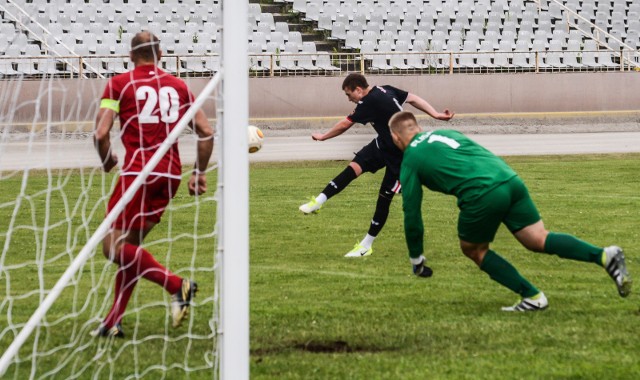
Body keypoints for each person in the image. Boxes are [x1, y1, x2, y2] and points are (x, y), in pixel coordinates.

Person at [388, 111, 632, 311]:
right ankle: (603, 255)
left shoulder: (411, 158)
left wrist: (416, 257)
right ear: (417, 127)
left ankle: (533, 297)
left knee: (473, 249)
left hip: (481, 193)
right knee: (538, 238)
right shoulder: (445, 133)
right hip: (509, 179)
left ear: (396, 137)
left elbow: (412, 213)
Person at [92, 31, 214, 337]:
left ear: (131, 55)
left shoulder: (119, 84)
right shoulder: (179, 86)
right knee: (129, 247)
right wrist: (198, 172)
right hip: (170, 174)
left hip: (137, 174)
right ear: (160, 54)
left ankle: (177, 285)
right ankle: (113, 322)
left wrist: (108, 161)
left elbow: (100, 134)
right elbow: (205, 131)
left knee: (112, 247)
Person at [298, 73, 454, 257]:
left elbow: (344, 124)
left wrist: (323, 137)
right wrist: (435, 114)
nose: (349, 99)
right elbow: (413, 98)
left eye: (349, 95)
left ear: (358, 89)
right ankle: (318, 201)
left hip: (403, 157)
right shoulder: (386, 89)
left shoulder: (369, 101)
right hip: (384, 145)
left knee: (383, 199)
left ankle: (366, 246)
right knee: (353, 168)